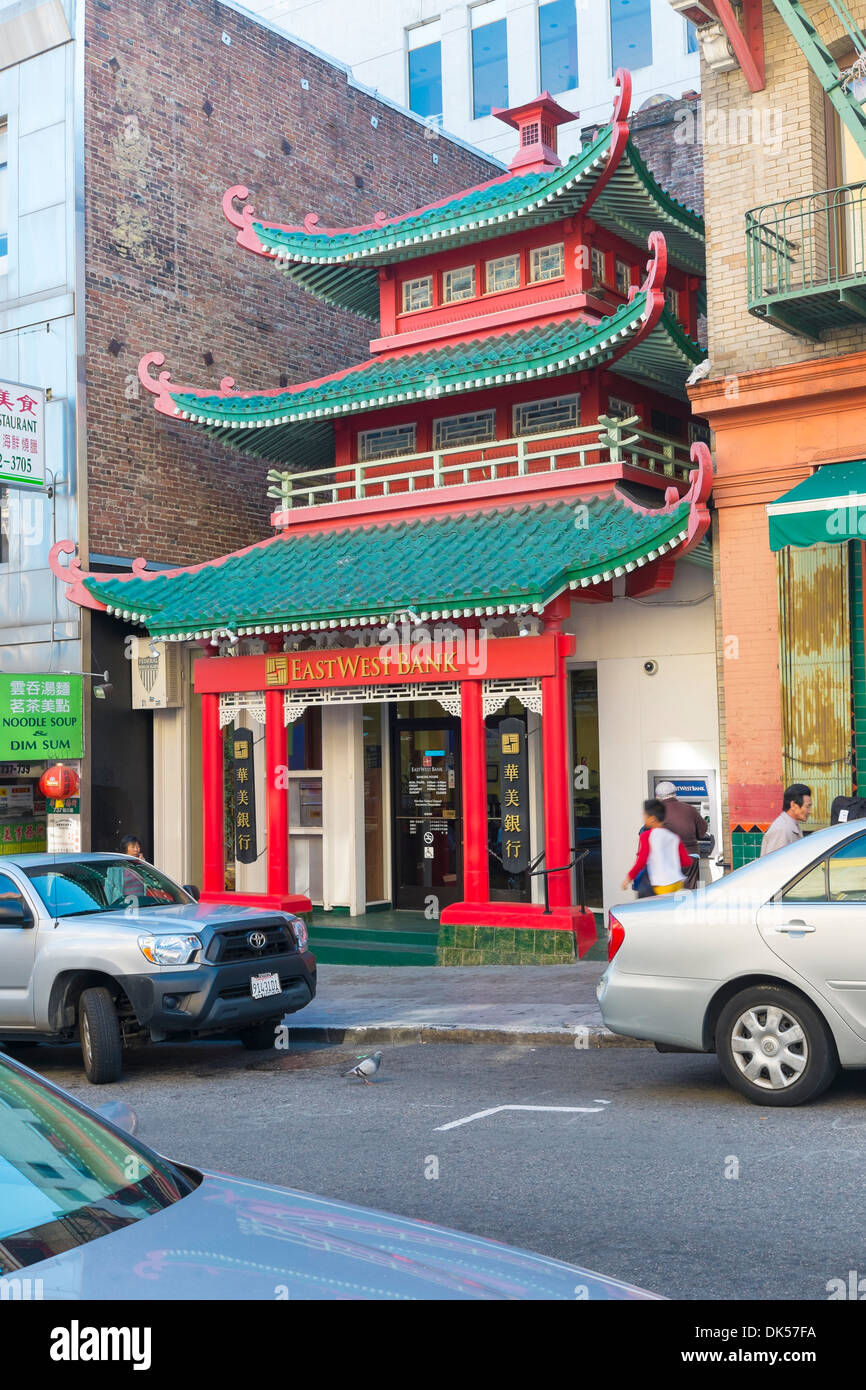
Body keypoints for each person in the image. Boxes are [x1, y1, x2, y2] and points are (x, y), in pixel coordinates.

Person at [622, 798, 692, 897]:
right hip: (678, 884)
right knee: (672, 911)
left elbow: (642, 861)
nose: (643, 818)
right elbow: (686, 861)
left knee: (655, 910)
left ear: (652, 819)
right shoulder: (674, 837)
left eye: (645, 815)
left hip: (662, 886)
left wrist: (628, 878)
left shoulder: (647, 836)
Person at [655, 780, 707, 889]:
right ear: (675, 794)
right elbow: (702, 833)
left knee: (670, 894)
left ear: (658, 797)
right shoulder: (690, 809)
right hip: (690, 856)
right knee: (689, 893)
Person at [760, 784, 812, 856]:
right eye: (807, 806)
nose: (810, 811)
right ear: (793, 805)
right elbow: (774, 863)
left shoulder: (792, 825)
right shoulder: (782, 830)